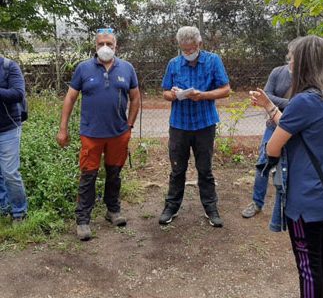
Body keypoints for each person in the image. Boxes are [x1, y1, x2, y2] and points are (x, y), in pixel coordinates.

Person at [250, 35, 323, 298]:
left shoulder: (304, 100)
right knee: (322, 261)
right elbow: (297, 125)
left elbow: (273, 146)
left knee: (308, 267)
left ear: (304, 63)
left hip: (304, 199)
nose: (289, 63)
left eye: (292, 58)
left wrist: (274, 126)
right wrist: (270, 105)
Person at [57, 28, 140, 241]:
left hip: (118, 133)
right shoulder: (83, 69)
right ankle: (83, 220)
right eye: (101, 43)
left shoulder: (127, 68)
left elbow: (135, 98)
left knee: (114, 174)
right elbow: (70, 99)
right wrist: (63, 129)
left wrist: (129, 126)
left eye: (109, 44)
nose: (105, 48)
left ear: (116, 46)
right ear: (95, 46)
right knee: (88, 176)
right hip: (91, 134)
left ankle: (113, 211)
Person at [158, 26, 230, 228]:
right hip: (179, 125)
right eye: (184, 49)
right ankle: (171, 207)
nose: (188, 53)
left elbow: (226, 90)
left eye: (191, 49)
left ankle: (211, 208)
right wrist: (173, 95)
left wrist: (203, 95)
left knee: (205, 169)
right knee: (177, 168)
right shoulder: (173, 64)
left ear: (199, 44)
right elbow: (164, 92)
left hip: (204, 124)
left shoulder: (213, 60)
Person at [241, 39, 296, 220]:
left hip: (297, 130)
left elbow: (270, 99)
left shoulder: (310, 78)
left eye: (293, 55)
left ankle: (291, 204)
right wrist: (291, 104)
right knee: (263, 164)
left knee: (295, 167)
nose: (290, 59)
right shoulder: (277, 72)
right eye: (290, 54)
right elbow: (266, 95)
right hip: (273, 126)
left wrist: (272, 103)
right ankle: (257, 202)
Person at [0, 55, 27, 223]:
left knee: (9, 173)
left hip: (8, 128)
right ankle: (3, 208)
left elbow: (18, 93)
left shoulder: (9, 66)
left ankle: (19, 212)